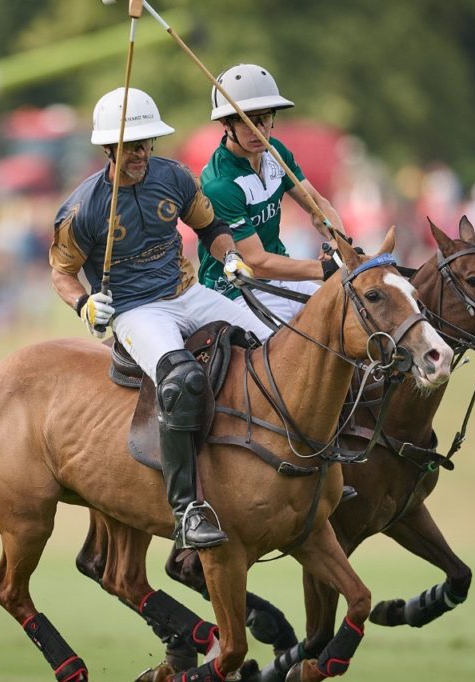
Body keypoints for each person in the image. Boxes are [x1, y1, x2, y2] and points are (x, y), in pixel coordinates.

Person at [49, 87, 275, 550]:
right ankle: (187, 508)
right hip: (136, 311)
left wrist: (229, 257)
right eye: (131, 146)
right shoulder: (83, 208)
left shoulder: (173, 177)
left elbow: (211, 228)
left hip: (187, 292)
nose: (140, 153)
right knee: (181, 381)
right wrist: (84, 305)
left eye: (146, 143)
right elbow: (63, 272)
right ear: (108, 148)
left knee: (274, 345)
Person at [198, 63, 347, 321]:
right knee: (285, 355)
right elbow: (255, 261)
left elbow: (317, 205)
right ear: (225, 123)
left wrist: (338, 242)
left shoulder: (275, 152)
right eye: (247, 121)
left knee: (349, 319)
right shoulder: (220, 184)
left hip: (281, 277)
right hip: (236, 290)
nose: (259, 129)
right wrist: (323, 268)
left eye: (264, 118)